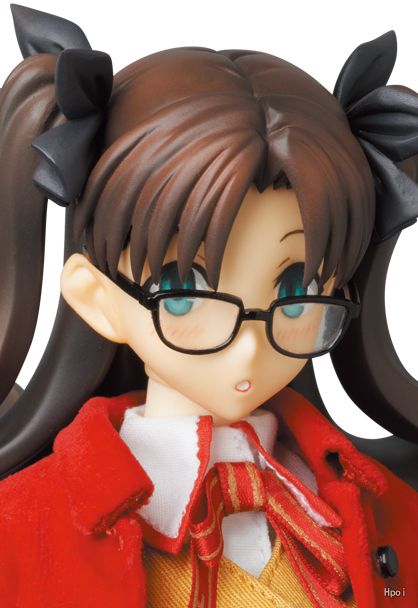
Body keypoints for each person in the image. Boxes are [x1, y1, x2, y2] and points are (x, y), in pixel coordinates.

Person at [0, 5, 417, 607]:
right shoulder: (21, 529)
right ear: (98, 298)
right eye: (185, 284)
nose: (248, 346)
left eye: (296, 290)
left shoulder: (383, 509)